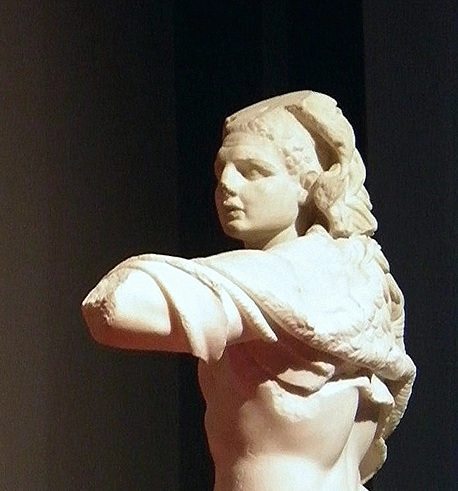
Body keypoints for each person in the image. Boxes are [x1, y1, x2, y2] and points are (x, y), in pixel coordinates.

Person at [82, 91, 415, 491]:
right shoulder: (352, 274)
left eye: (252, 171)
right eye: (221, 170)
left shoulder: (301, 277)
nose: (226, 184)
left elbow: (114, 307)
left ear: (305, 187)